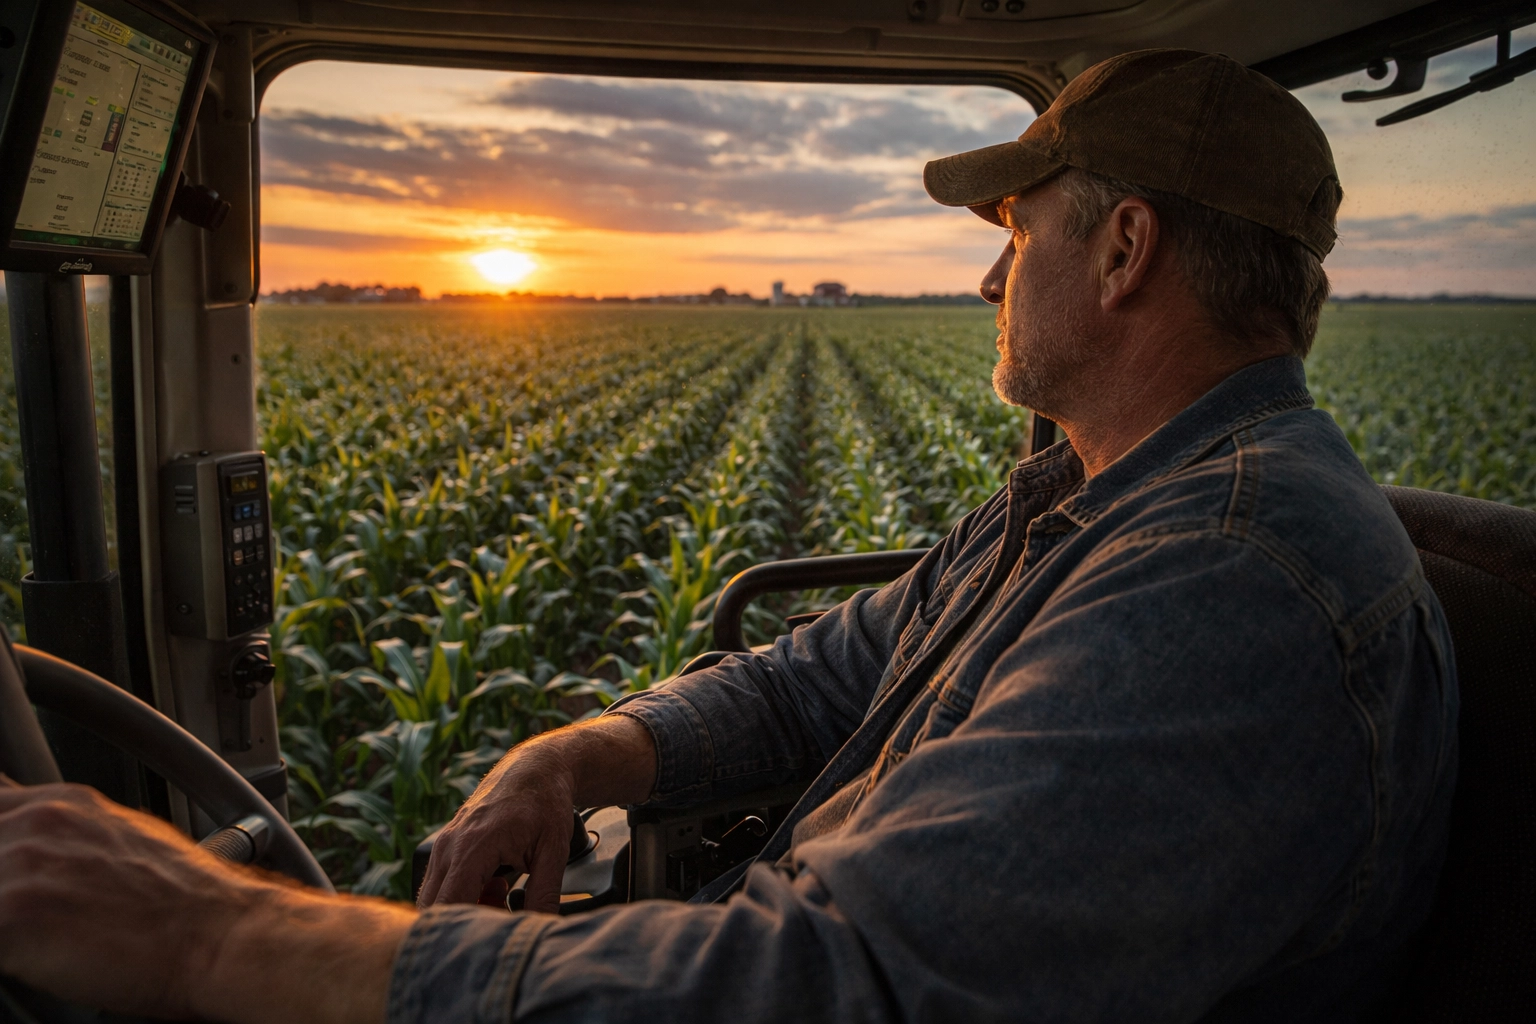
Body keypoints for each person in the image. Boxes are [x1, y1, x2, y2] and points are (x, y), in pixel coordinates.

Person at [0, 49, 1456, 1024]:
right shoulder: (1096, 496)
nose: (990, 280)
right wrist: (581, 751)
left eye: (1017, 231)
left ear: (1125, 251)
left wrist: (214, 935)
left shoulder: (1228, 582)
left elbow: (836, 988)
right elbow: (820, 679)